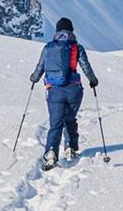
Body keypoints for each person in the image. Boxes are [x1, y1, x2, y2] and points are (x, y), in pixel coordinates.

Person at [29, 17, 98, 170]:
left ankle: (52, 153)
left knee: (56, 123)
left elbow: (40, 67)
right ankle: (71, 148)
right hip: (74, 89)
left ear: (57, 31)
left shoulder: (48, 48)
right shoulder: (76, 47)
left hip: (54, 90)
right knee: (70, 119)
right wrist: (92, 80)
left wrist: (34, 78)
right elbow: (85, 66)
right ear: (71, 31)